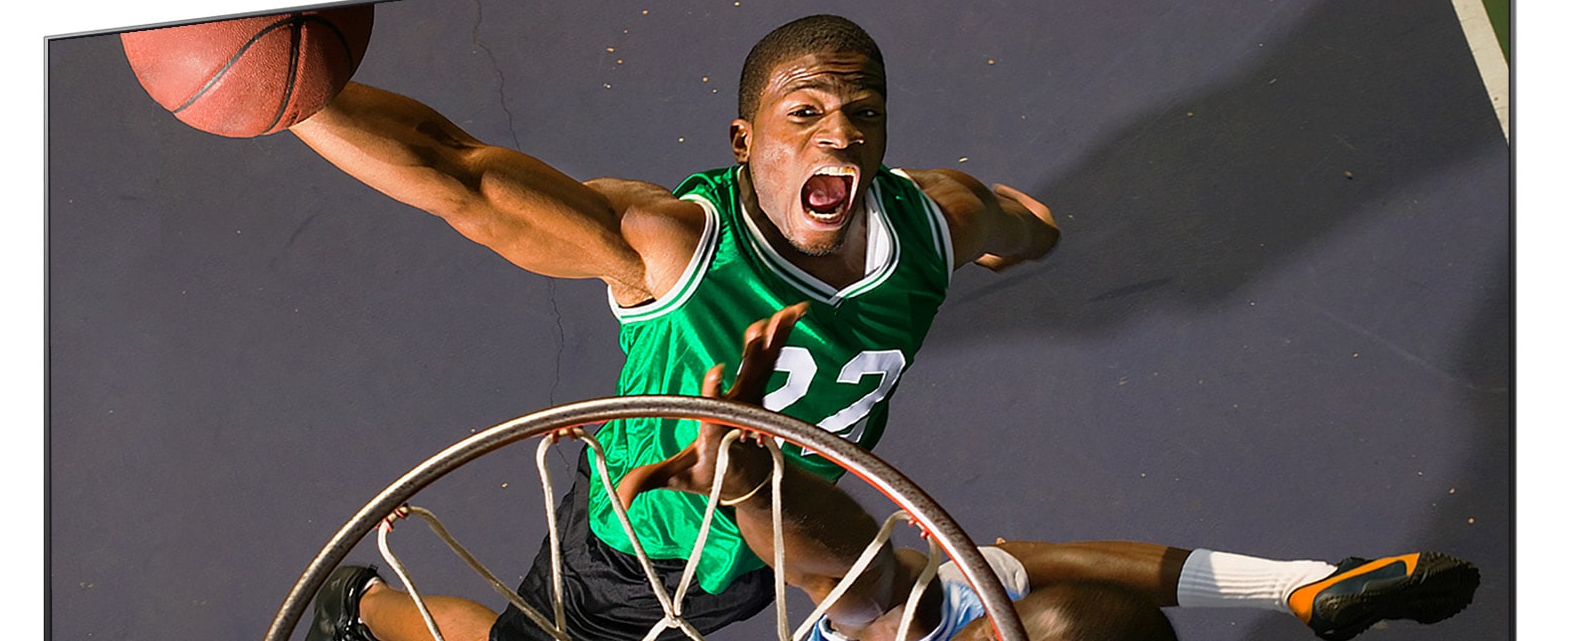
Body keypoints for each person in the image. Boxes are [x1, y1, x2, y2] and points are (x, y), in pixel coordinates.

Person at [287, 15, 1473, 640]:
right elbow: (458, 173)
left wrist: (1021, 231)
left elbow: (1013, 221)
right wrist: (294, 95)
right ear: (744, 142)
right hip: (640, 539)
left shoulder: (929, 222)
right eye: (804, 111)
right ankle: (365, 610)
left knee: (955, 583)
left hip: (789, 535)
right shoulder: (669, 245)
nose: (840, 133)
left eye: (860, 112)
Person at [311, 305, 1476, 641]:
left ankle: (360, 607)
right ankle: (359, 607)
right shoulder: (942, 610)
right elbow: (866, 578)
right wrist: (745, 476)